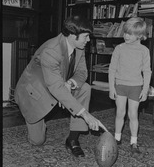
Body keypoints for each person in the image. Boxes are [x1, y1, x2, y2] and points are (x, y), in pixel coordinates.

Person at [14, 15, 106, 157]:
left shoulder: (79, 46)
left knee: (85, 88)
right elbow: (55, 87)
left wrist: (70, 83)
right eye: (86, 36)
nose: (88, 40)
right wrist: (86, 115)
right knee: (37, 141)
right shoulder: (51, 50)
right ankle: (39, 120)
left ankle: (73, 139)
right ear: (71, 35)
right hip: (35, 92)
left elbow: (82, 73)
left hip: (58, 83)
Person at [108, 17, 152, 155]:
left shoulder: (144, 50)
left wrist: (145, 90)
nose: (126, 36)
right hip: (120, 85)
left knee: (133, 114)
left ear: (139, 35)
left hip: (135, 87)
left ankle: (134, 141)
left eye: (130, 33)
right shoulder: (119, 49)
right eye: (125, 32)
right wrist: (111, 87)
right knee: (120, 113)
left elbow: (147, 71)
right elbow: (112, 69)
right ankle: (117, 138)